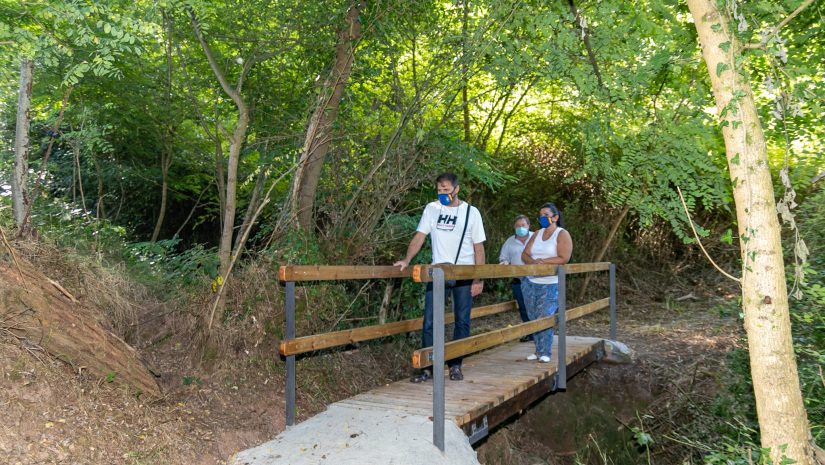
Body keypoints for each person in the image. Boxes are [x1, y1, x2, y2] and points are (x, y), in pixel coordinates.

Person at [394, 172, 486, 382]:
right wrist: (406, 260)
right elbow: (419, 236)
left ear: (456, 189)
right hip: (437, 273)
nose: (442, 193)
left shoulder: (471, 212)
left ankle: (455, 365)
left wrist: (478, 278)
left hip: (464, 272)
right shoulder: (432, 209)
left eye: (446, 190)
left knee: (462, 321)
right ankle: (428, 367)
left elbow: (478, 249)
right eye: (439, 190)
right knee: (430, 321)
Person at [520, 203, 573, 363]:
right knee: (533, 317)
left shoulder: (562, 234)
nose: (542, 217)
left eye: (546, 214)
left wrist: (543, 262)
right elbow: (525, 254)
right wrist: (533, 263)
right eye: (540, 215)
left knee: (545, 316)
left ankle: (546, 352)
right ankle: (537, 350)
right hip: (531, 282)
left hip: (550, 283)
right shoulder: (536, 233)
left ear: (555, 217)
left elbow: (564, 258)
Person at [498, 215, 534, 342]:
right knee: (524, 308)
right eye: (518, 225)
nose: (520, 228)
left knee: (537, 307)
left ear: (528, 226)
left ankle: (541, 332)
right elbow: (503, 259)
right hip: (519, 281)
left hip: (536, 280)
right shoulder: (509, 242)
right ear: (514, 227)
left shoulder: (536, 237)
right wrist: (505, 263)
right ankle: (530, 333)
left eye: (523, 225)